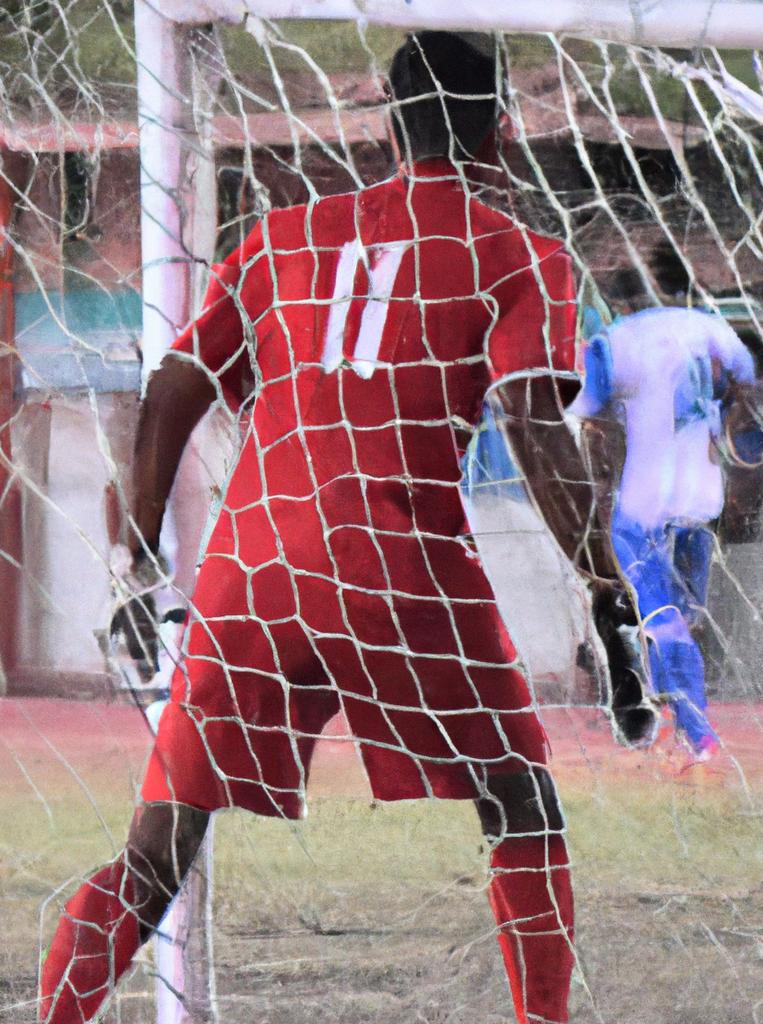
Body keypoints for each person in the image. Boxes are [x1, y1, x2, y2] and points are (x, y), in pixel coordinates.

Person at [40, 32, 653, 1024]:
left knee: (157, 848)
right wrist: (604, 588)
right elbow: (536, 423)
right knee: (520, 804)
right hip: (399, 557)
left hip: (256, 559)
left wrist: (140, 557)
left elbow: (173, 389)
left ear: (387, 128)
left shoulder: (283, 235)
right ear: (498, 134)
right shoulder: (517, 252)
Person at [571, 305, 755, 764]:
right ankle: (668, 711)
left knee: (657, 619)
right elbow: (745, 378)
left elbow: (583, 406)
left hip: (644, 508)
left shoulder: (615, 339)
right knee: (679, 615)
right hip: (701, 502)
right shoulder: (710, 327)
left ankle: (698, 734)